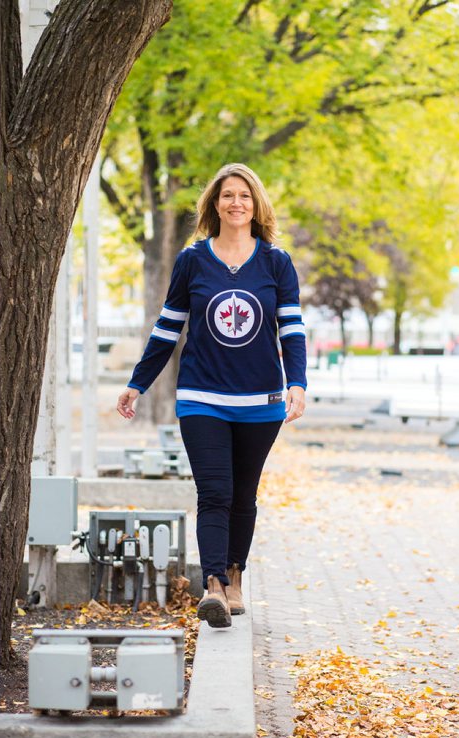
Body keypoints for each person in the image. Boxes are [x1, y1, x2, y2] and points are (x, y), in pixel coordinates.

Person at [117, 163, 307, 628]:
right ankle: (215, 585)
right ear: (214, 205)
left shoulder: (276, 263)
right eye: (227, 196)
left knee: (243, 494)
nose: (236, 203)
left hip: (260, 400)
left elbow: (292, 330)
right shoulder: (192, 261)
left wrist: (297, 383)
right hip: (201, 395)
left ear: (256, 204)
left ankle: (237, 576)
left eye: (244, 195)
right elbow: (167, 331)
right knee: (215, 491)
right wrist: (137, 383)